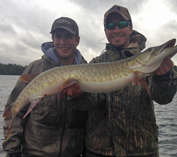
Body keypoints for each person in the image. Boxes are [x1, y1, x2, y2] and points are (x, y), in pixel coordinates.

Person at [82, 5, 177, 157]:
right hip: (100, 150)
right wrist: (77, 95)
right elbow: (88, 103)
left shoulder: (147, 64)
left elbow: (163, 98)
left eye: (121, 24)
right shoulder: (95, 64)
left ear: (130, 27)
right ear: (105, 31)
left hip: (141, 150)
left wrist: (162, 78)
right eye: (110, 26)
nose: (116, 30)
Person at [2, 17, 104, 157]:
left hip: (72, 153)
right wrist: (12, 150)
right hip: (35, 153)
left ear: (77, 40)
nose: (63, 42)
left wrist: (80, 97)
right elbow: (15, 113)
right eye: (58, 36)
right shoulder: (35, 68)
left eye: (68, 36)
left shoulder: (88, 70)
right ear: (53, 39)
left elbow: (93, 111)